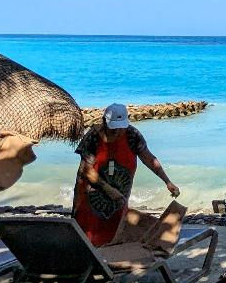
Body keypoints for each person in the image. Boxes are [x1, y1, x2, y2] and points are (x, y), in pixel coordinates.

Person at [72, 103, 179, 246]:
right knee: (89, 236)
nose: (116, 132)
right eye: (113, 129)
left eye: (120, 128)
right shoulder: (93, 137)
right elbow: (86, 170)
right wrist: (110, 191)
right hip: (91, 198)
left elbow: (149, 159)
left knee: (115, 235)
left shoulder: (132, 135)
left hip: (119, 198)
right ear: (104, 122)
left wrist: (167, 182)